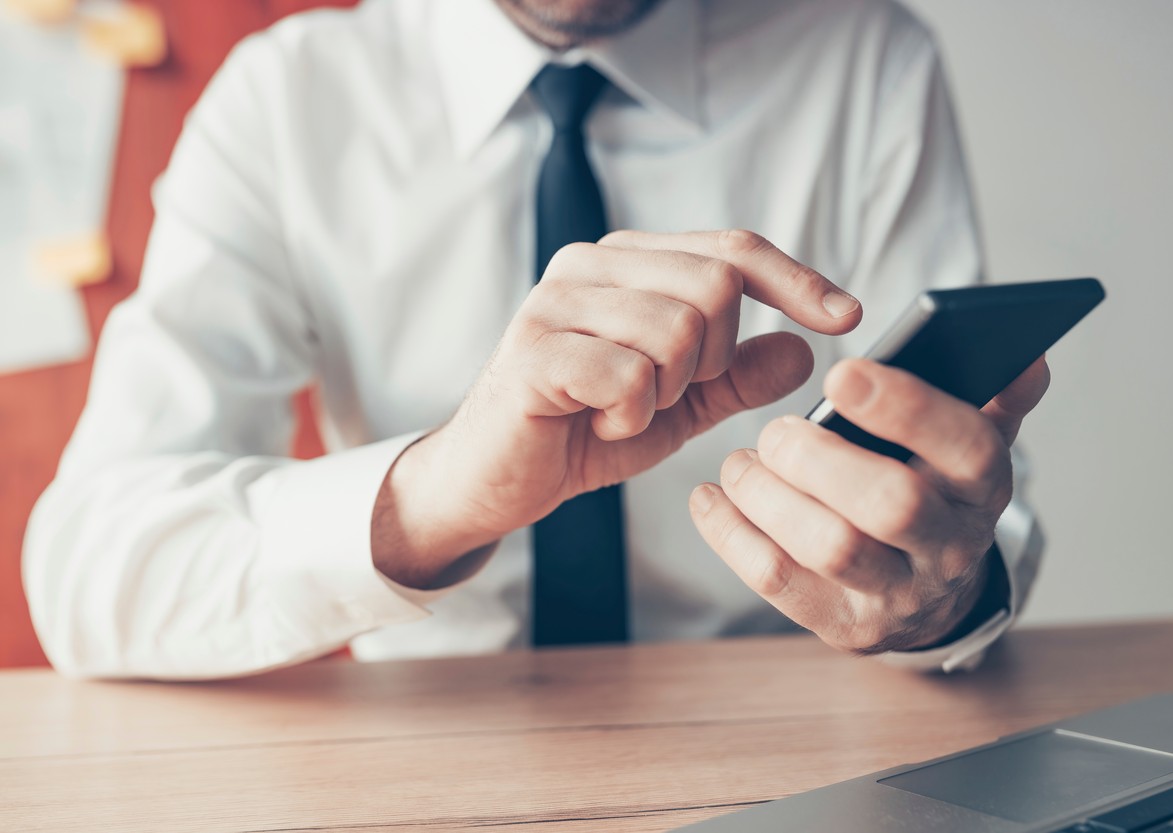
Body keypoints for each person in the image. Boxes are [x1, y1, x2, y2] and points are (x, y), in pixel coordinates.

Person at [23, 0, 1047, 680]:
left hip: (793, 744)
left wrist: (936, 600)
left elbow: (956, 514)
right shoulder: (288, 102)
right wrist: (435, 495)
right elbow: (88, 575)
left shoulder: (864, 61)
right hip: (427, 762)